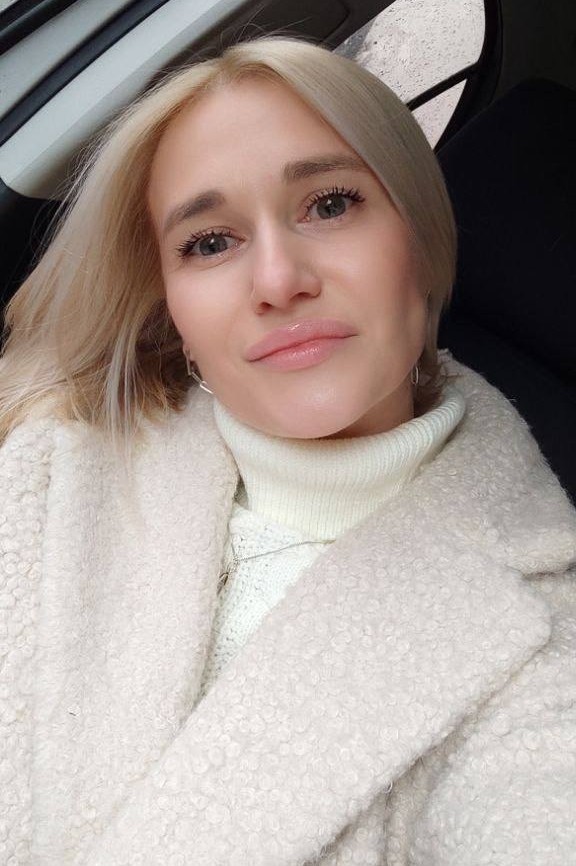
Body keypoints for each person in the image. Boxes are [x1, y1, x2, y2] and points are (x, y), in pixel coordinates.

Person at [0, 36, 574, 866]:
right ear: (172, 310)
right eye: (209, 242)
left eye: (330, 204)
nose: (277, 279)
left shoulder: (541, 641)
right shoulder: (49, 453)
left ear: (420, 238)